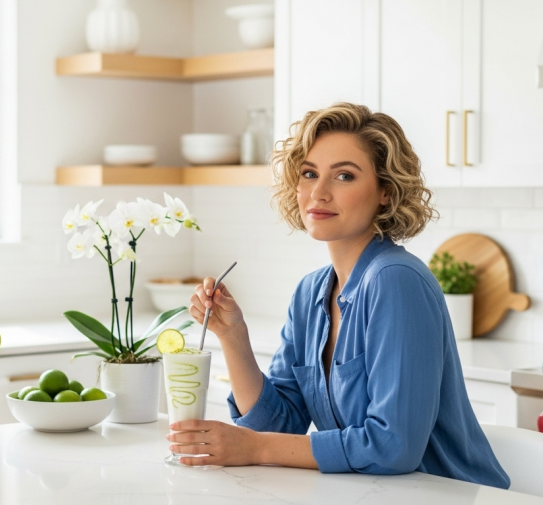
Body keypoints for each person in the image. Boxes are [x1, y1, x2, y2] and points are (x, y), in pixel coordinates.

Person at [175, 103, 510, 488]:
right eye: (309, 173)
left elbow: (393, 446)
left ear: (385, 191)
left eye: (344, 176)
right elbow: (280, 425)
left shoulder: (395, 280)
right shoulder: (310, 293)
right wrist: (232, 336)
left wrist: (255, 448)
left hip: (451, 495)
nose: (318, 192)